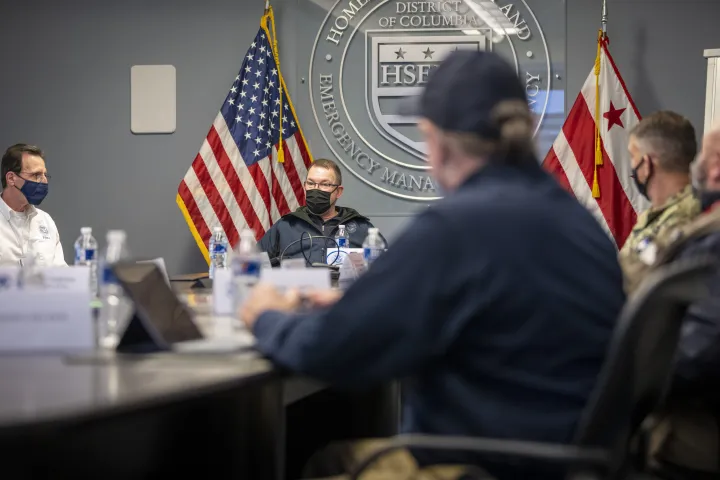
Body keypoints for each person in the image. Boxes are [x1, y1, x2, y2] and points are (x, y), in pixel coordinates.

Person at [241, 50, 625, 480]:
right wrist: (359, 307)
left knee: (323, 462)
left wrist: (267, 316)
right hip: (570, 460)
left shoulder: (457, 227)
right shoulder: (580, 225)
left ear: (437, 141)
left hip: (481, 465)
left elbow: (328, 350)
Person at [634, 127, 720, 478]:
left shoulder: (710, 241)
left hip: (690, 440)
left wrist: (621, 371)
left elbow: (698, 352)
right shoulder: (703, 229)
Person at [620, 111, 700, 293]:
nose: (632, 165)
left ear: (647, 164)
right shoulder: (656, 213)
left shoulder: (685, 217)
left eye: (633, 156)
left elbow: (634, 284)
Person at [258, 158, 378, 265]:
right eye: (311, 183)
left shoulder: (361, 227)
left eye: (324, 184)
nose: (316, 189)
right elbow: (253, 263)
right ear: (305, 186)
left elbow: (384, 270)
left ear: (338, 191)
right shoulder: (286, 225)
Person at [0, 143, 65, 266]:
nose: (44, 181)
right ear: (11, 178)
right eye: (36, 175)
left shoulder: (46, 221)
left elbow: (60, 273)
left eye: (45, 175)